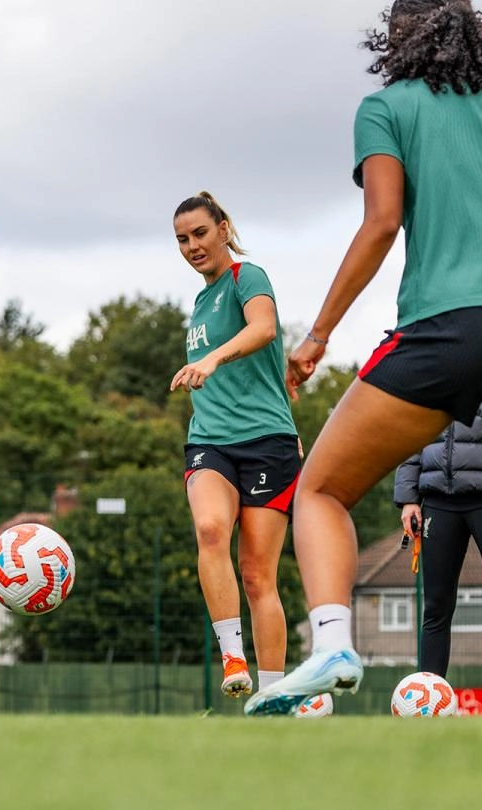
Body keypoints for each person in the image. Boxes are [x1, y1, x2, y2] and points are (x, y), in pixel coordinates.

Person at [246, 0, 482, 716]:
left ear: (396, 35)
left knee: (322, 491)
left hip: (451, 327)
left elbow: (382, 223)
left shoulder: (385, 107)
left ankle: (333, 642)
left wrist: (318, 335)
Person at [169, 192, 301, 699]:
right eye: (182, 239)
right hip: (210, 442)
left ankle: (274, 696)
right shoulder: (200, 303)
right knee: (208, 529)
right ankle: (232, 657)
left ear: (223, 229)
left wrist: (213, 360)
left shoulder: (250, 277)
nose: (192, 246)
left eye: (200, 233)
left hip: (267, 442)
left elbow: (264, 329)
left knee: (257, 577)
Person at [393, 399, 482, 714]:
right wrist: (408, 498)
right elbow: (411, 434)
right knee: (435, 609)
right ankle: (426, 707)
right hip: (437, 503)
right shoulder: (431, 371)